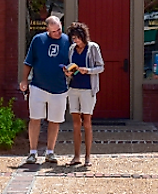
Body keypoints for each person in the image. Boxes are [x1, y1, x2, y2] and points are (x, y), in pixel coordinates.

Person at [21, 15, 70, 164]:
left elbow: (71, 63)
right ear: (47, 29)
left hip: (59, 88)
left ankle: (50, 151)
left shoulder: (67, 41)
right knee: (35, 119)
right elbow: (28, 61)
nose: (58, 33)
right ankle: (33, 152)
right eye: (54, 31)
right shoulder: (38, 40)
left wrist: (70, 72)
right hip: (38, 86)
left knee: (54, 121)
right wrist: (24, 79)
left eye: (59, 30)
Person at [65, 22, 104, 167]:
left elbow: (101, 67)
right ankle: (76, 156)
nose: (76, 41)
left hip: (88, 88)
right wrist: (69, 72)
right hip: (73, 88)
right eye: (73, 38)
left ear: (83, 36)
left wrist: (87, 70)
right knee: (76, 124)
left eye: (77, 38)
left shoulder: (93, 47)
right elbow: (71, 67)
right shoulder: (71, 49)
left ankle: (88, 156)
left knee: (87, 122)